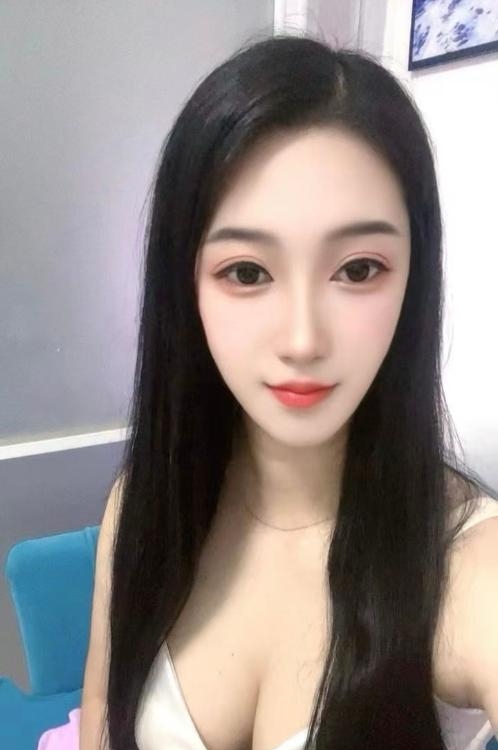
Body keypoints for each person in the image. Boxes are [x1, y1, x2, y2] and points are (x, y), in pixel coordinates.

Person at [74, 32, 498, 750]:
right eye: (247, 273)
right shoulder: (144, 504)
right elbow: (99, 713)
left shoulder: (467, 569)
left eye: (358, 270)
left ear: (414, 278)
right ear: (186, 286)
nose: (303, 339)